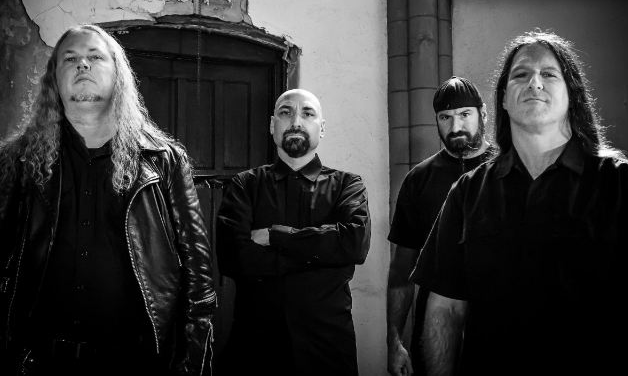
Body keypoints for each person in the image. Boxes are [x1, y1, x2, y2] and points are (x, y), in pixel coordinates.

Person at [411, 30, 628, 375]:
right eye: (521, 74)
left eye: (548, 73)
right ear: (503, 99)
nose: (534, 82)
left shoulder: (622, 184)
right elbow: (446, 308)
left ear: (572, 94)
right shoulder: (467, 192)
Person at [0, 24, 216, 375]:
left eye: (95, 57)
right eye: (70, 58)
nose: (82, 64)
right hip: (39, 361)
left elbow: (199, 278)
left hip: (136, 362)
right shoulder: (17, 161)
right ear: (54, 79)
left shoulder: (164, 161)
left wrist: (191, 365)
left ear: (119, 75)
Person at [215, 88, 371, 376]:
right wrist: (318, 257)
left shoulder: (347, 185)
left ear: (321, 128)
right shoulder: (244, 185)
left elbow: (354, 244)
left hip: (328, 350)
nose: (296, 121)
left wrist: (275, 236)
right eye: (286, 112)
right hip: (253, 350)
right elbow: (233, 258)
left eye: (307, 114)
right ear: (272, 125)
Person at [386, 76, 493, 376]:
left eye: (465, 114)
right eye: (446, 117)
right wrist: (394, 340)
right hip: (433, 329)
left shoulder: (506, 170)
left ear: (483, 114)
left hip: (495, 327)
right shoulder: (418, 180)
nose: (456, 126)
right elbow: (401, 271)